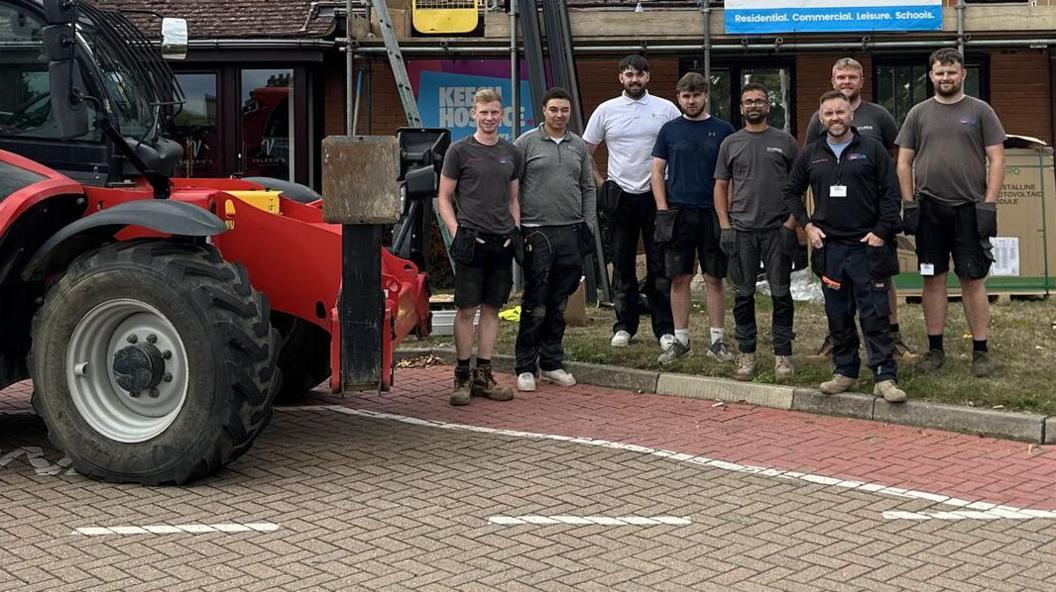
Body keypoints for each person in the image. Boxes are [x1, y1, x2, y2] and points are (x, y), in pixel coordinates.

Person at [783, 90, 906, 403]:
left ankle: (884, 376)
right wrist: (807, 225)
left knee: (875, 314)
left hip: (868, 246)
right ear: (821, 118)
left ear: (851, 115)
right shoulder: (811, 153)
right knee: (838, 314)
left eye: (840, 112)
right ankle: (845, 371)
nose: (835, 119)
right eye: (828, 114)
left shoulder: (873, 150)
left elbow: (892, 196)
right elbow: (790, 192)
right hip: (830, 249)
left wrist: (881, 231)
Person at [896, 48, 1006, 377]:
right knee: (933, 279)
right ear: (930, 76)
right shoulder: (918, 113)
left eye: (951, 72)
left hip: (969, 209)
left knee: (973, 278)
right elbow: (903, 161)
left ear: (963, 74)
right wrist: (909, 203)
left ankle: (981, 350)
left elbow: (997, 159)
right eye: (939, 73)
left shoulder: (980, 111)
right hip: (929, 209)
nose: (945, 78)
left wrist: (988, 203)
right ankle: (935, 349)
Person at [804, 57, 915, 360]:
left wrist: (888, 211)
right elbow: (812, 162)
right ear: (833, 79)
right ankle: (835, 338)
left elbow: (895, 155)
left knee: (881, 279)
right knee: (835, 284)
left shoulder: (879, 115)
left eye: (852, 77)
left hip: (875, 216)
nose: (846, 82)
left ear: (862, 80)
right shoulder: (820, 117)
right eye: (841, 77)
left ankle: (892, 336)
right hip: (834, 217)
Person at [583, 55, 680, 351]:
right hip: (620, 196)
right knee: (623, 264)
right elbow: (585, 151)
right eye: (628, 74)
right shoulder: (606, 110)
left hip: (656, 195)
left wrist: (671, 182)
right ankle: (624, 325)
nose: (634, 79)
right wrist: (601, 184)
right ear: (620, 78)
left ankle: (664, 329)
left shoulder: (666, 109)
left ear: (647, 77)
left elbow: (681, 145)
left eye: (639, 74)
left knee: (659, 265)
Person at [438, 88, 523, 406]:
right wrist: (457, 231)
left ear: (502, 115)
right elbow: (444, 198)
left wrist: (515, 231)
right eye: (483, 112)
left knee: (492, 309)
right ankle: (461, 376)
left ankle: (483, 375)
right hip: (470, 242)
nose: (489, 118)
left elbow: (514, 198)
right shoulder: (459, 152)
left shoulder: (511, 153)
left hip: (501, 242)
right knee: (466, 310)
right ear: (474, 114)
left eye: (495, 112)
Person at [714, 83, 800, 381]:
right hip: (742, 231)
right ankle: (746, 353)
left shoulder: (785, 141)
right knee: (743, 296)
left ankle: (783, 355)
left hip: (777, 230)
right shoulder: (731, 143)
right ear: (740, 107)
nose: (753, 106)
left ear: (768, 106)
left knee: (781, 294)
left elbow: (800, 186)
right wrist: (725, 225)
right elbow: (720, 187)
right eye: (748, 101)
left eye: (759, 101)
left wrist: (791, 224)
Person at [513, 87, 597, 392]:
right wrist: (517, 228)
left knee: (559, 302)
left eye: (564, 110)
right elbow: (513, 188)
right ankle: (525, 366)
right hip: (537, 232)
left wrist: (587, 225)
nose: (559, 115)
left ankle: (551, 363)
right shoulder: (525, 143)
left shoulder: (578, 146)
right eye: (554, 110)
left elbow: (588, 188)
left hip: (571, 232)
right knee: (535, 302)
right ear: (543, 111)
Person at [650, 71, 735, 365]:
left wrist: (728, 214)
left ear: (705, 96)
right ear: (679, 98)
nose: (691, 100)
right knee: (679, 277)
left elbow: (730, 176)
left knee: (714, 277)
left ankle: (717, 341)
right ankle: (680, 340)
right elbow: (657, 171)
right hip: (678, 212)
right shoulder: (669, 130)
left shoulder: (724, 130)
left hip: (713, 212)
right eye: (686, 96)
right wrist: (662, 209)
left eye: (696, 95)